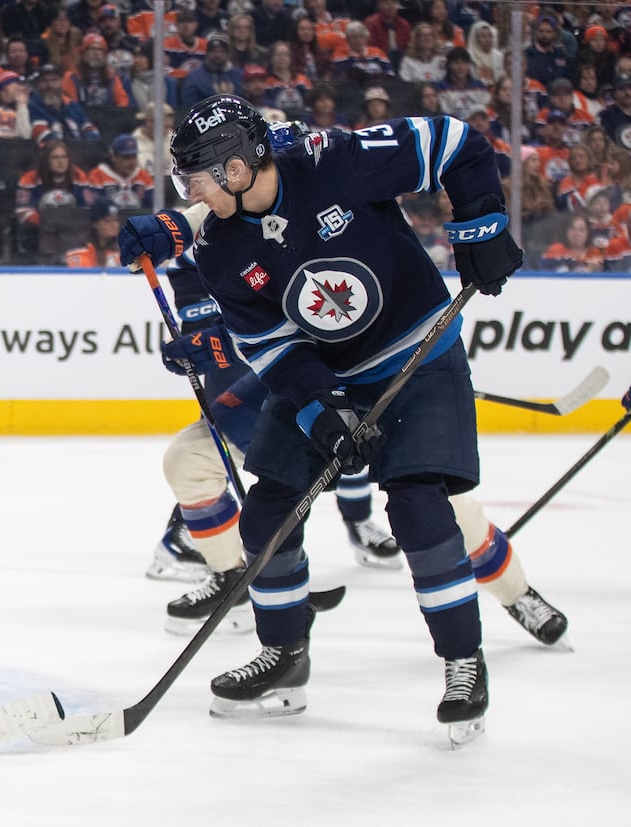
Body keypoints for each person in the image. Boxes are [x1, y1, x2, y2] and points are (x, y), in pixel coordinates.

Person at [117, 95, 523, 740]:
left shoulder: (333, 161)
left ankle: (462, 661)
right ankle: (285, 653)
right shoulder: (221, 250)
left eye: (195, 177)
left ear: (238, 168)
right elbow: (277, 347)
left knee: (418, 507)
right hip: (332, 372)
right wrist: (321, 410)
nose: (188, 193)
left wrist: (480, 225)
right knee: (269, 509)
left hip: (418, 355)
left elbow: (454, 141)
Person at [13, 139, 95, 262]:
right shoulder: (29, 179)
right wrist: (48, 222)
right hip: (39, 230)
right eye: (55, 158)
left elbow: (87, 209)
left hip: (73, 231)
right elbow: (23, 211)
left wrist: (68, 223)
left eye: (64, 157)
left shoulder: (79, 177)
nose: (60, 161)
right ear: (46, 160)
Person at [87, 132, 154, 209]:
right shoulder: (98, 175)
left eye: (134, 156)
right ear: (113, 157)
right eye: (126, 157)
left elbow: (152, 209)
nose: (132, 162)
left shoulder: (144, 176)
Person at [63, 196, 121, 267]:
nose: (114, 225)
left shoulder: (123, 249)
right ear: (95, 224)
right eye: (108, 221)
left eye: (116, 220)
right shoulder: (79, 250)